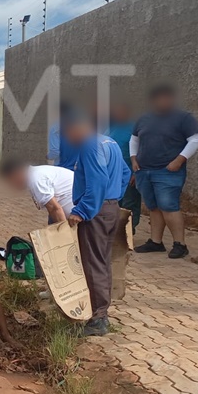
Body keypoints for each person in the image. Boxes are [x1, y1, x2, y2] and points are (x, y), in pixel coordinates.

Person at [64, 111, 131, 337]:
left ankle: (98, 318)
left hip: (96, 213)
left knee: (93, 264)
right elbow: (125, 172)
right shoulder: (108, 141)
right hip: (109, 208)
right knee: (101, 261)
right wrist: (114, 197)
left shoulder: (89, 145)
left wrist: (83, 211)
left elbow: (98, 180)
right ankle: (102, 312)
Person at [130, 84, 198, 259]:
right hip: (144, 170)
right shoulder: (144, 118)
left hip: (168, 171)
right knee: (153, 207)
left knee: (169, 206)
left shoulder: (184, 118)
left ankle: (180, 244)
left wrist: (179, 160)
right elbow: (134, 139)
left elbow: (196, 139)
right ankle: (156, 242)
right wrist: (134, 159)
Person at [0, 158, 74, 224]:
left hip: (79, 215)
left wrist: (65, 235)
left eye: (10, 181)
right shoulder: (35, 174)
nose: (12, 186)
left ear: (16, 174)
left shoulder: (35, 180)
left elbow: (55, 209)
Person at [107, 102, 142, 234]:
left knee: (129, 204)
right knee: (116, 203)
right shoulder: (111, 127)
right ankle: (117, 232)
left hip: (129, 173)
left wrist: (135, 172)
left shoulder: (134, 128)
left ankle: (128, 232)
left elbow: (141, 151)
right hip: (113, 174)